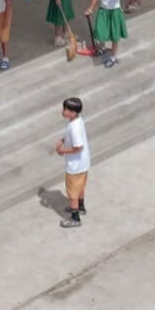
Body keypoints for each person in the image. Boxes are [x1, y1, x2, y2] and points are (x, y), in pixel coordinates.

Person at [56, 96, 89, 228]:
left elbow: (78, 147)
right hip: (84, 163)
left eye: (66, 109)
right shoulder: (78, 121)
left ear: (73, 112)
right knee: (80, 187)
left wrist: (63, 151)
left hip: (75, 166)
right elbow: (74, 138)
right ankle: (81, 207)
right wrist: (63, 140)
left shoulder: (74, 127)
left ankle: (75, 218)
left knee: (72, 193)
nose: (63, 111)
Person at [90, 0, 127, 67]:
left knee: (115, 35)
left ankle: (113, 56)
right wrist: (91, 8)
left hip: (114, 11)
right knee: (100, 31)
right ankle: (102, 47)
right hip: (103, 10)